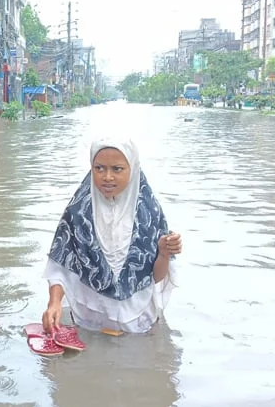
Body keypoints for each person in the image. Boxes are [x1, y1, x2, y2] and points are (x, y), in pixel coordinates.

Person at [42, 135, 182, 335]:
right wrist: (54, 303)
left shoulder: (149, 215)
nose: (107, 177)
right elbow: (60, 268)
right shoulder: (78, 213)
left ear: (132, 169)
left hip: (138, 324)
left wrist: (164, 254)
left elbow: (156, 278)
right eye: (99, 168)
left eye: (117, 169)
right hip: (89, 321)